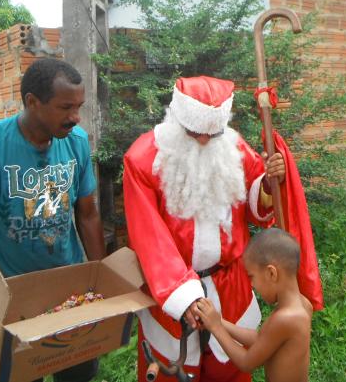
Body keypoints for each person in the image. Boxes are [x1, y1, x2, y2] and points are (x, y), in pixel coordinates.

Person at [123, 75, 322, 382]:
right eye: (195, 133)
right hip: (171, 295)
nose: (204, 140)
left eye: (212, 134)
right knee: (171, 373)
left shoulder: (234, 147)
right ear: (178, 119)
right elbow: (149, 239)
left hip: (231, 288)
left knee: (229, 373)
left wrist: (270, 183)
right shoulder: (142, 159)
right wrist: (183, 297)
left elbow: (256, 207)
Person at [0, 58, 106, 382]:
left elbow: (87, 215)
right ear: (32, 102)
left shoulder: (76, 144)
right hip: (12, 299)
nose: (76, 117)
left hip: (69, 296)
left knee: (78, 375)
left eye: (79, 106)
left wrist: (104, 286)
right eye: (65, 107)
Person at [195, 228, 312, 382]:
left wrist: (216, 327)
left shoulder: (286, 318)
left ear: (271, 273)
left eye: (252, 277)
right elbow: (260, 339)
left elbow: (246, 362)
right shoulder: (301, 304)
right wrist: (219, 322)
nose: (252, 284)